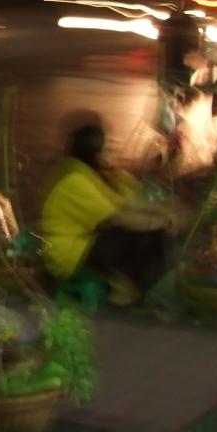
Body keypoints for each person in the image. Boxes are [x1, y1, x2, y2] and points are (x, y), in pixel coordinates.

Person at [40, 122, 179, 304]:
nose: (113, 153)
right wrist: (162, 222)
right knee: (145, 235)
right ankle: (124, 291)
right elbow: (118, 216)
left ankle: (127, 288)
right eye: (107, 149)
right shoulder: (74, 180)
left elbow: (130, 202)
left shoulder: (97, 175)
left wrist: (165, 211)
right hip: (69, 255)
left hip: (87, 241)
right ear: (93, 153)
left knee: (148, 233)